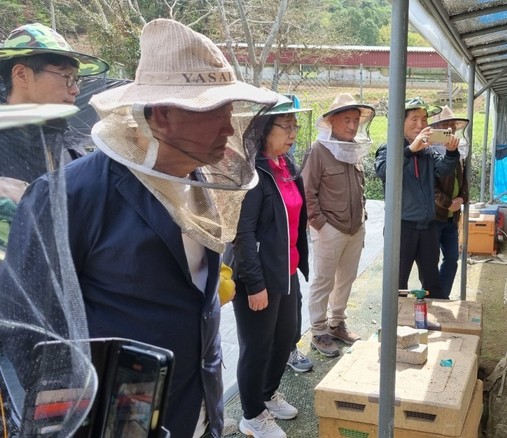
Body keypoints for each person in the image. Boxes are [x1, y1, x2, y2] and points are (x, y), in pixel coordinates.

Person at [1, 19, 281, 437]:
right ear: (162, 115)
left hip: (199, 407)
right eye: (214, 111)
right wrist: (93, 416)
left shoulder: (201, 183)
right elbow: (27, 329)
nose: (228, 127)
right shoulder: (70, 195)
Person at [231, 102, 310, 438]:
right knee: (257, 346)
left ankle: (266, 394)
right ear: (264, 130)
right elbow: (243, 234)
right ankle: (251, 415)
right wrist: (254, 284)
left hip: (285, 270)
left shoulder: (286, 165)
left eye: (295, 126)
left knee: (285, 338)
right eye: (285, 126)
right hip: (259, 276)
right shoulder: (252, 173)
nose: (292, 134)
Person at [301, 93, 375, 357]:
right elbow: (307, 191)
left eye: (356, 120)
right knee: (323, 280)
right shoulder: (318, 150)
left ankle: (337, 323)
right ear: (331, 120)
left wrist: (362, 218)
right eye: (347, 120)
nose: (352, 125)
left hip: (355, 227)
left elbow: (360, 188)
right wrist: (320, 224)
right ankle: (318, 330)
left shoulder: (354, 149)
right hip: (329, 228)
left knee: (346, 278)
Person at [0, 23, 110, 182]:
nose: (75, 90)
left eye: (76, 79)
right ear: (22, 74)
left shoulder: (71, 149)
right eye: (67, 77)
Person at [374, 97, 459, 299]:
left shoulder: (428, 151)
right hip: (401, 228)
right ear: (400, 122)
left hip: (428, 226)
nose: (421, 124)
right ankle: (394, 318)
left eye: (424, 119)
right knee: (397, 282)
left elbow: (443, 170)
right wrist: (410, 150)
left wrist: (451, 153)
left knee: (431, 281)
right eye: (414, 119)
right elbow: (384, 172)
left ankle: (433, 313)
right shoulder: (389, 149)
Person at [426, 105, 469, 298]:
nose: (450, 128)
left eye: (452, 124)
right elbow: (428, 186)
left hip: (452, 218)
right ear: (436, 128)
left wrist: (462, 198)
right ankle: (431, 297)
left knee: (452, 258)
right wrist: (446, 203)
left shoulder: (457, 150)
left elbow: (464, 179)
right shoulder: (429, 152)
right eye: (445, 125)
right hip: (434, 216)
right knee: (430, 261)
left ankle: (442, 296)